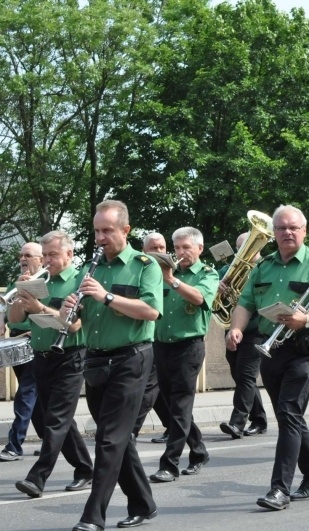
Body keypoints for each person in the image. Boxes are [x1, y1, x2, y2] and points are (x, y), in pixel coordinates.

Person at [227, 205, 309, 511]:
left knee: (289, 413)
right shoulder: (263, 266)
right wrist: (237, 329)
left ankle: (279, 489)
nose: (287, 233)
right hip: (271, 348)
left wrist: (305, 320)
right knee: (288, 416)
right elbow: (246, 303)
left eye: (293, 228)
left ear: (304, 230)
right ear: (274, 234)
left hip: (304, 349)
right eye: (281, 228)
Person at [63, 200, 162, 531]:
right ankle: (144, 504)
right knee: (118, 439)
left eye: (107, 230)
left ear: (125, 230)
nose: (101, 237)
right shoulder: (89, 269)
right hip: (95, 361)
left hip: (131, 358)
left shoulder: (144, 265)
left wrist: (106, 296)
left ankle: (93, 516)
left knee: (108, 440)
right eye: (97, 231)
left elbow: (150, 311)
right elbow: (76, 326)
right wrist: (68, 312)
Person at [10, 231, 94, 497]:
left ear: (69, 254)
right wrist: (19, 294)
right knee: (57, 419)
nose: (47, 261)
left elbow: (75, 325)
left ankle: (38, 476)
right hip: (41, 356)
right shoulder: (40, 281)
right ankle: (84, 468)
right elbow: (14, 319)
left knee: (55, 419)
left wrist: (40, 308)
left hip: (71, 355)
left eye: (53, 255)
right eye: (44, 255)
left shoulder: (81, 280)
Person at [149, 227, 219, 482]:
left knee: (179, 405)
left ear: (199, 248)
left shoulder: (207, 274)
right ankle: (198, 451)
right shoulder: (166, 272)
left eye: (186, 247)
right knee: (173, 407)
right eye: (176, 248)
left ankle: (169, 464)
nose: (180, 253)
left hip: (188, 347)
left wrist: (172, 281)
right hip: (161, 345)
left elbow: (200, 297)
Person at [220, 231, 269, 439]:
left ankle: (237, 423)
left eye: (248, 246)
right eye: (240, 247)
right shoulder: (227, 269)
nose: (243, 251)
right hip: (232, 328)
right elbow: (215, 300)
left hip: (257, 329)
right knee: (240, 376)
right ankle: (259, 418)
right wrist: (218, 288)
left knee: (246, 375)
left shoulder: (267, 268)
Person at [0, 242, 46, 462]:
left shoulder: (45, 281)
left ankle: (14, 444)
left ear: (41, 258)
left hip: (34, 341)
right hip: (17, 341)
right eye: (21, 255)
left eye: (28, 255)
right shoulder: (16, 281)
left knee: (26, 394)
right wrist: (2, 319)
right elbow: (5, 306)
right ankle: (49, 440)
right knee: (33, 397)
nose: (22, 258)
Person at [133, 232, 173, 444]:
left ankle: (131, 431)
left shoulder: (173, 273)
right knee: (156, 391)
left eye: (162, 248)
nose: (158, 252)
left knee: (150, 388)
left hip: (166, 343)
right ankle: (174, 426)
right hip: (146, 340)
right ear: (144, 250)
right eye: (153, 248)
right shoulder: (139, 271)